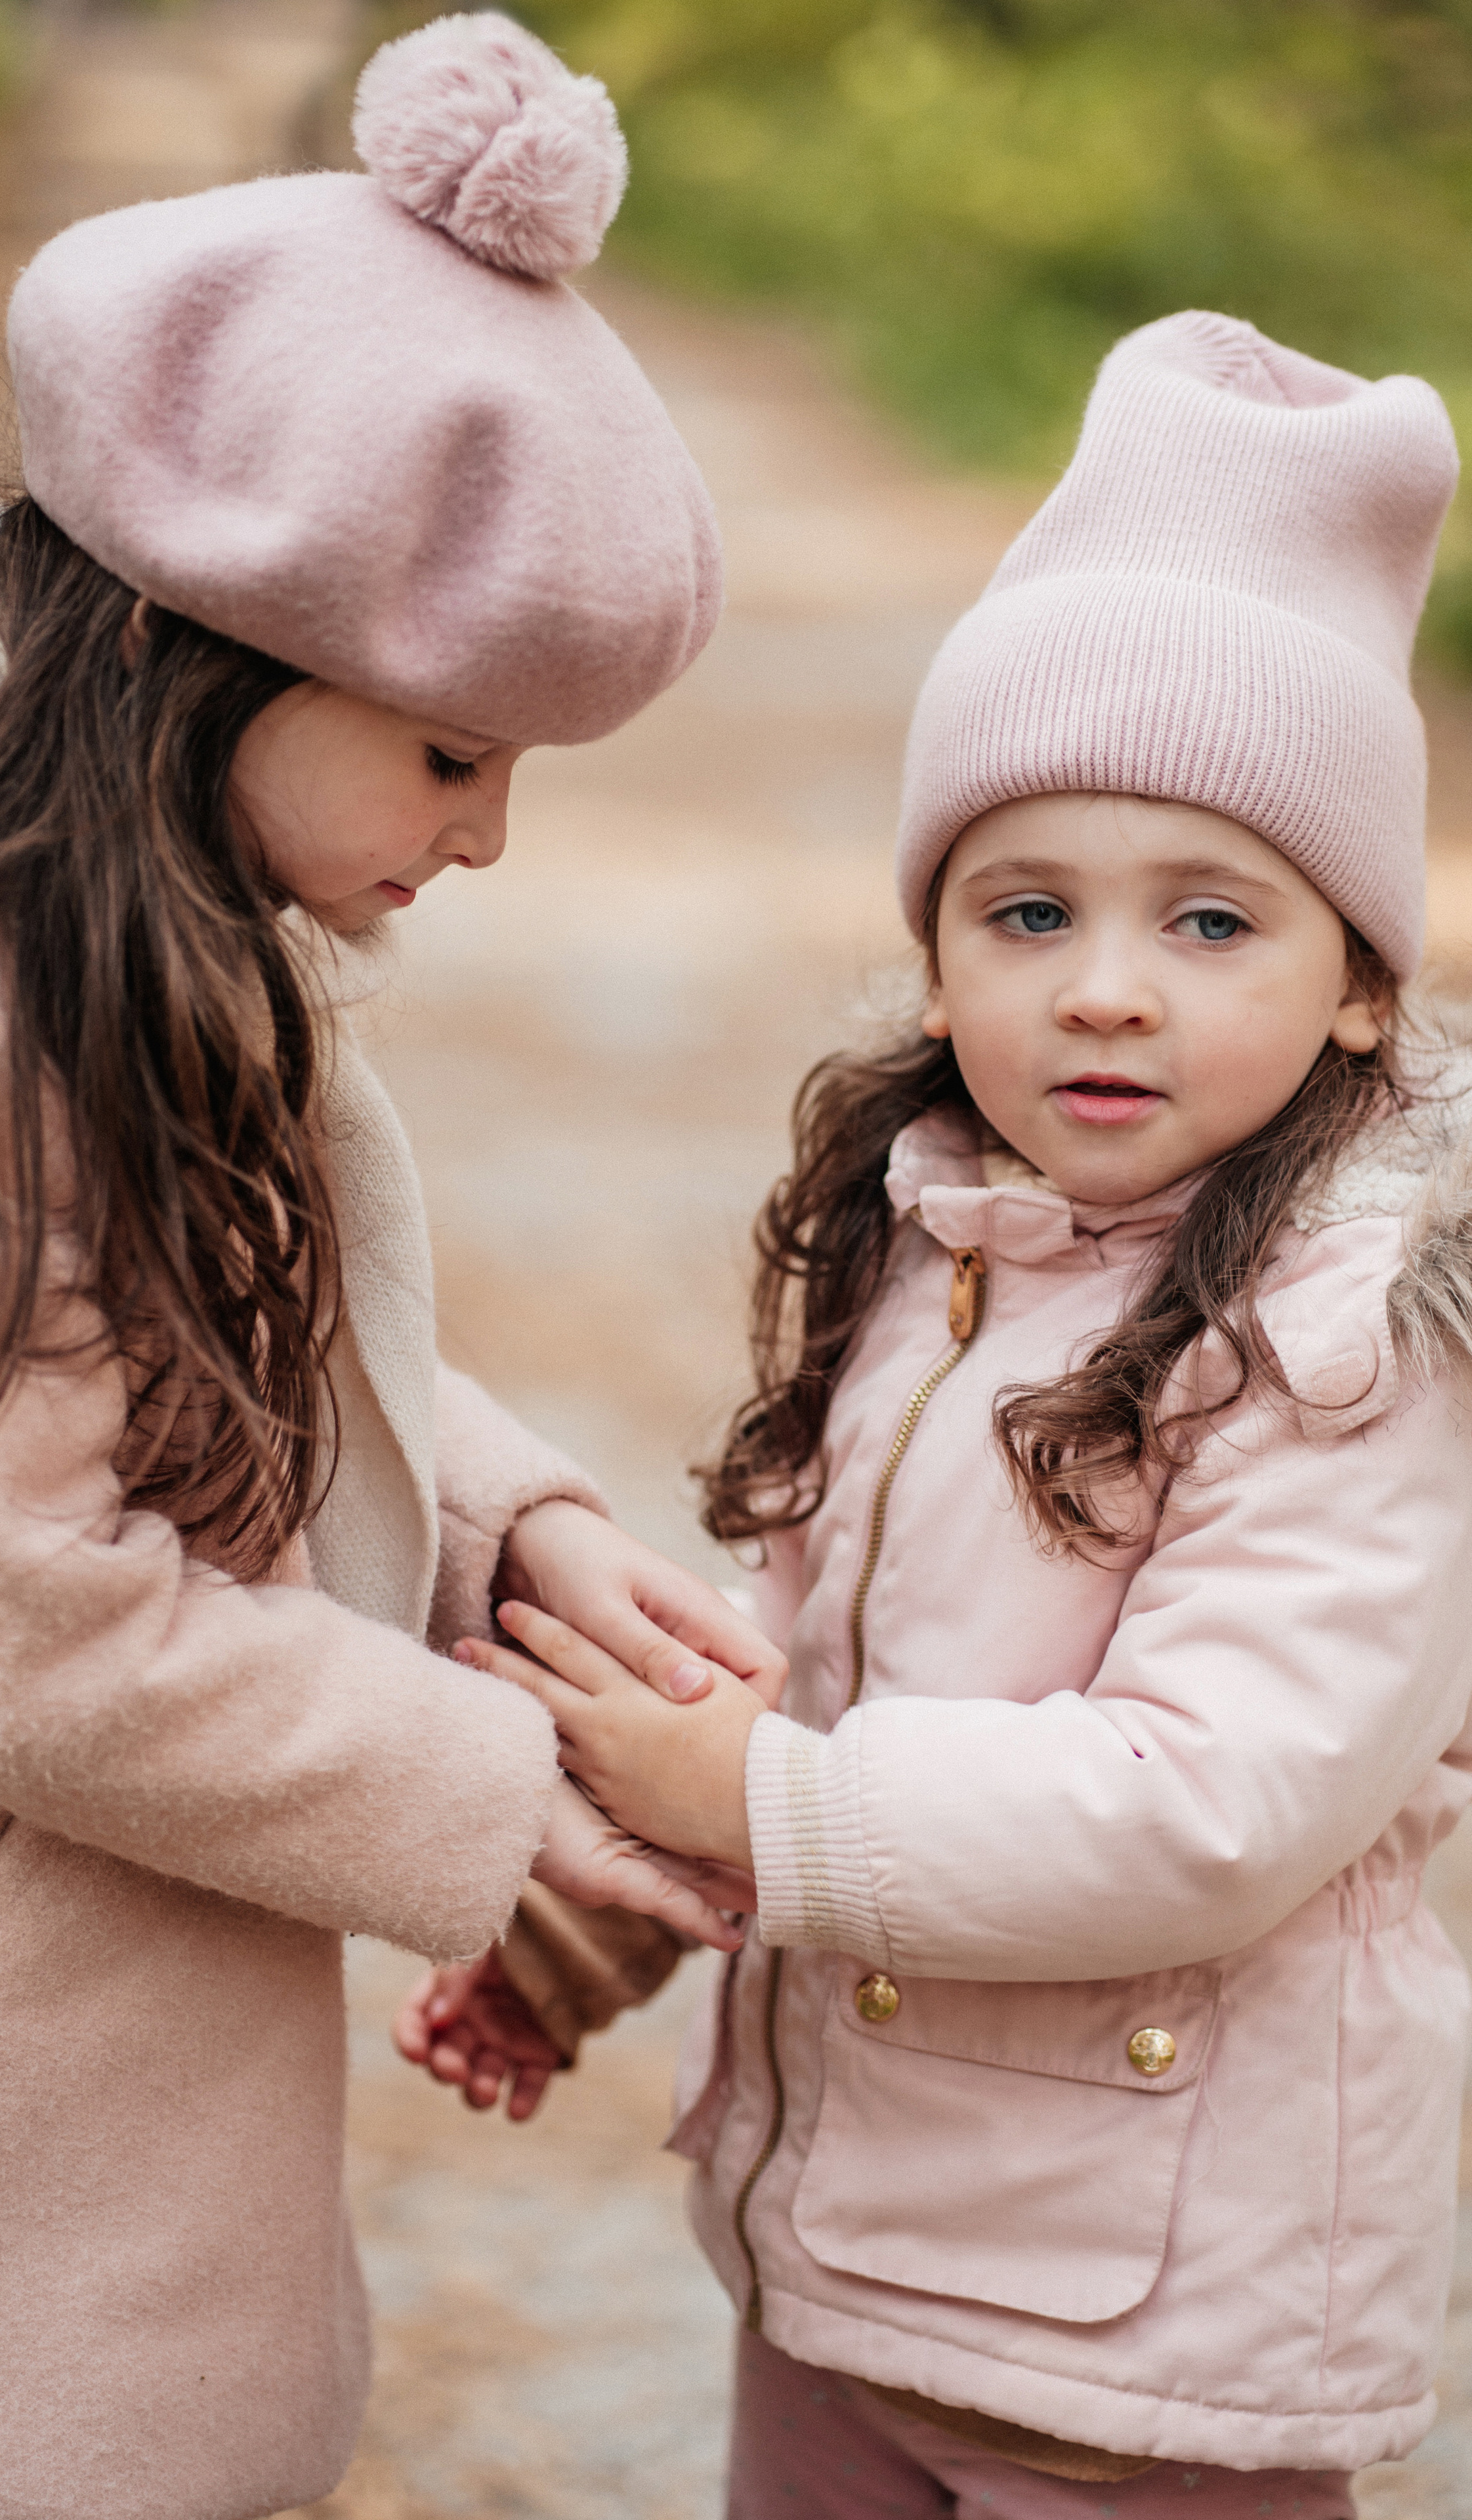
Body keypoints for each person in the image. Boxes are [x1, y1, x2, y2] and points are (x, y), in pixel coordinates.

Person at [0, 16, 788, 2520]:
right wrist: (526, 1796)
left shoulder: (103, 902)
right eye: (452, 754)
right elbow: (27, 1622)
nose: (484, 843)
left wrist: (507, 1530)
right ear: (188, 646)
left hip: (76, 2017)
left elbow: (216, 1322)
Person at [411, 312, 1472, 2515]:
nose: (1104, 981)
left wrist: (771, 1807)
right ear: (934, 953)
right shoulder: (945, 1231)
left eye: (1208, 918)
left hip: (1148, 2319)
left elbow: (1216, 1802)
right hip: (847, 2259)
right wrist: (603, 1916)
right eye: (1027, 907)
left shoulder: (1358, 1343)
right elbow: (820, 1668)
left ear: (1362, 974)